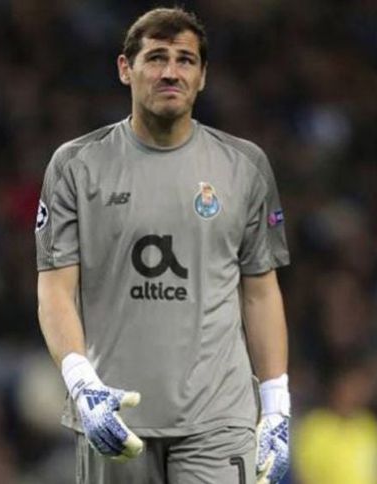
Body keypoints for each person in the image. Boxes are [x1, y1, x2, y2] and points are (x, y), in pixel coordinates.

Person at [35, 7, 291, 484]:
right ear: (125, 68)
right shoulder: (76, 166)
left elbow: (260, 292)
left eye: (185, 60)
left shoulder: (245, 167)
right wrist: (82, 384)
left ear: (203, 75)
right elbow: (54, 291)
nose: (171, 72)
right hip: (116, 413)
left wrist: (276, 406)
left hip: (219, 418)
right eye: (155, 58)